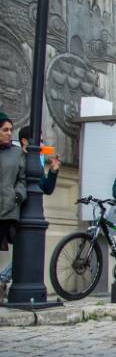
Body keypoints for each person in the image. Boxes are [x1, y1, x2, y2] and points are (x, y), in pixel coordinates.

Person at [0, 112, 25, 262]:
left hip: (6, 210)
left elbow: (23, 179)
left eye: (11, 129)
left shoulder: (17, 153)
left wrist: (17, 196)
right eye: (5, 130)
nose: (9, 133)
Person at [17, 126, 59, 195]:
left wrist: (53, 170)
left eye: (42, 141)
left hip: (36, 204)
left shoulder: (37, 161)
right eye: (38, 141)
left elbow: (47, 189)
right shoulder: (17, 159)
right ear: (24, 141)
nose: (42, 145)